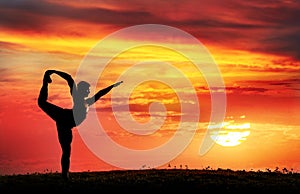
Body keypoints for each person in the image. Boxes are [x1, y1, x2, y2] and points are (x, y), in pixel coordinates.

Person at [37, 69, 123, 180]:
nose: (88, 91)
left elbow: (100, 93)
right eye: (87, 89)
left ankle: (65, 176)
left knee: (66, 151)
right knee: (41, 102)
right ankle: (45, 78)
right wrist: (52, 72)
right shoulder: (77, 98)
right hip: (63, 117)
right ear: (82, 90)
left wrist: (112, 86)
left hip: (67, 124)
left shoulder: (87, 102)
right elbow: (69, 78)